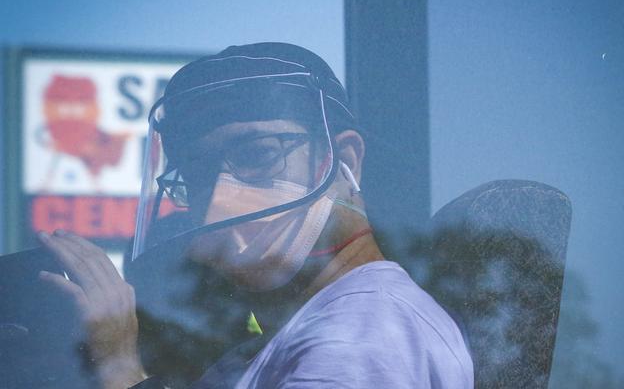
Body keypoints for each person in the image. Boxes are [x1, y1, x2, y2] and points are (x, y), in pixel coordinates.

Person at [37, 42, 473, 388]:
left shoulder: (363, 333)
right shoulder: (300, 330)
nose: (218, 202)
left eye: (259, 154)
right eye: (199, 176)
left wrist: (118, 369)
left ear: (347, 160)